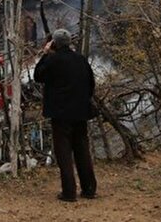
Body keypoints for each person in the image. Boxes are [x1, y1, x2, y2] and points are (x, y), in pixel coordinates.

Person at [33, 28, 98, 202]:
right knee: (82, 150)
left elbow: (37, 75)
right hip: (81, 112)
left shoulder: (53, 61)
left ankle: (69, 192)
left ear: (53, 43)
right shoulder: (81, 60)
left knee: (64, 153)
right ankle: (89, 189)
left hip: (61, 115)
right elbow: (91, 83)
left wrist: (45, 54)